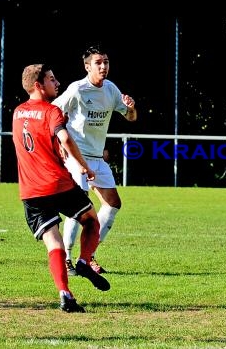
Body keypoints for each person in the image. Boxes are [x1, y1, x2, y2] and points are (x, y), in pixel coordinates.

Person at [12, 64, 111, 313]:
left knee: (53, 242)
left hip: (31, 191)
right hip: (58, 183)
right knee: (91, 221)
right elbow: (64, 138)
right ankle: (83, 260)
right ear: (38, 85)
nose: (56, 84)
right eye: (51, 80)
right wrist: (85, 167)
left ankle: (65, 293)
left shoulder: (17, 112)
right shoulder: (51, 111)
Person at [52, 45, 137, 275]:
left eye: (106, 62)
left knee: (113, 204)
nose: (103, 66)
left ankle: (86, 256)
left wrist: (131, 108)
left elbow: (129, 117)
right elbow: (52, 111)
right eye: (98, 62)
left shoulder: (110, 89)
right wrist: (59, 141)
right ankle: (68, 259)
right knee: (78, 205)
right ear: (87, 66)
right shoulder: (77, 89)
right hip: (75, 156)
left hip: (97, 158)